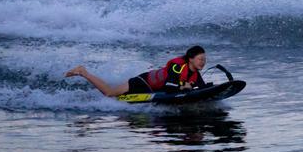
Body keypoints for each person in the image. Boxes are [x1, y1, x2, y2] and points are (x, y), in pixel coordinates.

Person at [65, 45, 207, 97]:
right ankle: (83, 72)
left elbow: (203, 88)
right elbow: (169, 87)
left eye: (204, 59)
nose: (203, 62)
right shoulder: (177, 67)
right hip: (142, 82)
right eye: (200, 59)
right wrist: (184, 87)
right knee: (109, 93)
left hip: (151, 88)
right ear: (190, 59)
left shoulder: (195, 73)